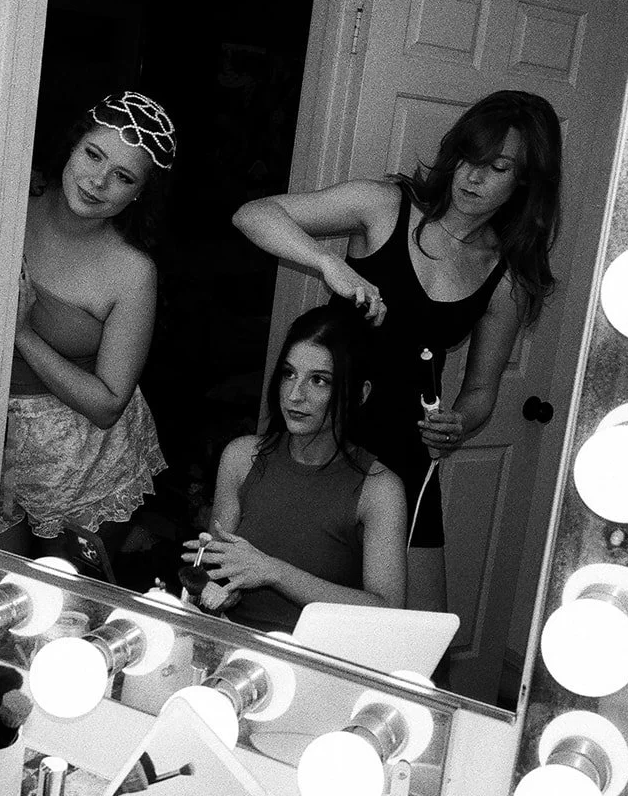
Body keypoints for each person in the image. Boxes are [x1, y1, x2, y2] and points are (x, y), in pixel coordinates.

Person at [231, 89, 562, 548]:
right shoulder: (383, 206)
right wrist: (329, 264)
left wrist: (458, 424)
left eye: (498, 168)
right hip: (321, 424)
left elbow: (481, 391)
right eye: (468, 158)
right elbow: (254, 214)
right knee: (281, 574)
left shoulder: (505, 278)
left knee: (411, 614)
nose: (473, 177)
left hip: (404, 449)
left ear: (525, 182)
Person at [0, 91, 178, 555]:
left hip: (77, 458)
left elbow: (107, 404)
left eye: (122, 177)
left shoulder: (133, 272)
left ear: (139, 192)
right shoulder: (9, 200)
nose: (97, 181)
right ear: (72, 146)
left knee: (59, 605)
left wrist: (21, 332)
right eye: (92, 155)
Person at [182, 305, 407, 632]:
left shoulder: (378, 489)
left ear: (359, 394)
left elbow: (387, 610)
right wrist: (215, 588)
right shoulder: (242, 457)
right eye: (289, 373)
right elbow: (217, 571)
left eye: (319, 380)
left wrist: (273, 571)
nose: (294, 394)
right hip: (234, 642)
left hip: (319, 659)